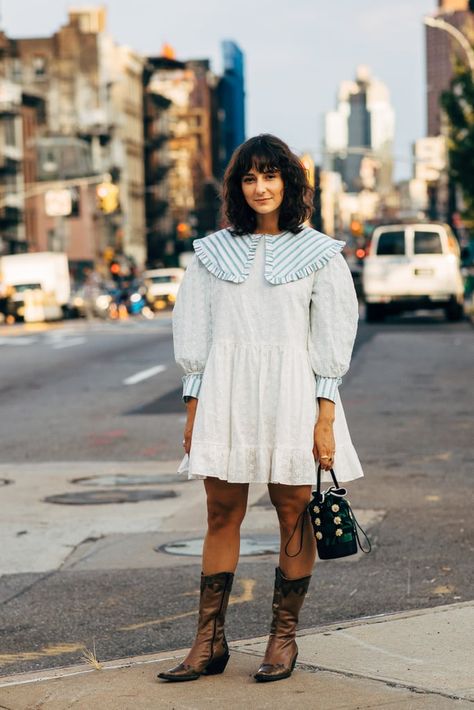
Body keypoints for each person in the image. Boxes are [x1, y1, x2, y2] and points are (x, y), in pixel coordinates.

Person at [158, 134, 363, 684]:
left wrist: (325, 417)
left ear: (289, 183)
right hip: (227, 395)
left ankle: (282, 640)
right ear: (237, 186)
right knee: (221, 512)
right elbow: (195, 336)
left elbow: (332, 340)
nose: (260, 187)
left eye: (270, 175)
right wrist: (194, 409)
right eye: (249, 177)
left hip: (295, 393)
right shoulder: (210, 253)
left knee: (295, 513)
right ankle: (209, 642)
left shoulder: (320, 254)